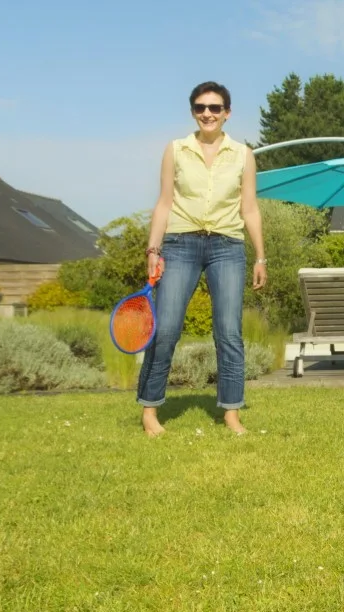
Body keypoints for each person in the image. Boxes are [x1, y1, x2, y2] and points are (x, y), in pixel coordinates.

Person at [137, 80, 268, 437]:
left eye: (214, 108)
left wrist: (260, 257)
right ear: (193, 112)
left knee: (229, 333)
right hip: (180, 244)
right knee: (165, 330)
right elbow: (164, 202)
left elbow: (250, 209)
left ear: (227, 113)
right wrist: (153, 249)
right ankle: (150, 410)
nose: (207, 113)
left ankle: (231, 413)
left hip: (227, 246)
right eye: (200, 108)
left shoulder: (243, 154)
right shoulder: (176, 150)